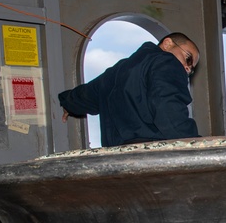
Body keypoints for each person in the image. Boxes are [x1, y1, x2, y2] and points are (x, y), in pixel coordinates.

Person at [59, 32, 201, 147]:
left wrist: (68, 103)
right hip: (152, 156)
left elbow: (88, 95)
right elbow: (169, 111)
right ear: (167, 44)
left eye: (191, 70)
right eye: (188, 59)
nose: (187, 68)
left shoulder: (118, 70)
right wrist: (196, 145)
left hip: (116, 160)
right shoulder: (167, 62)